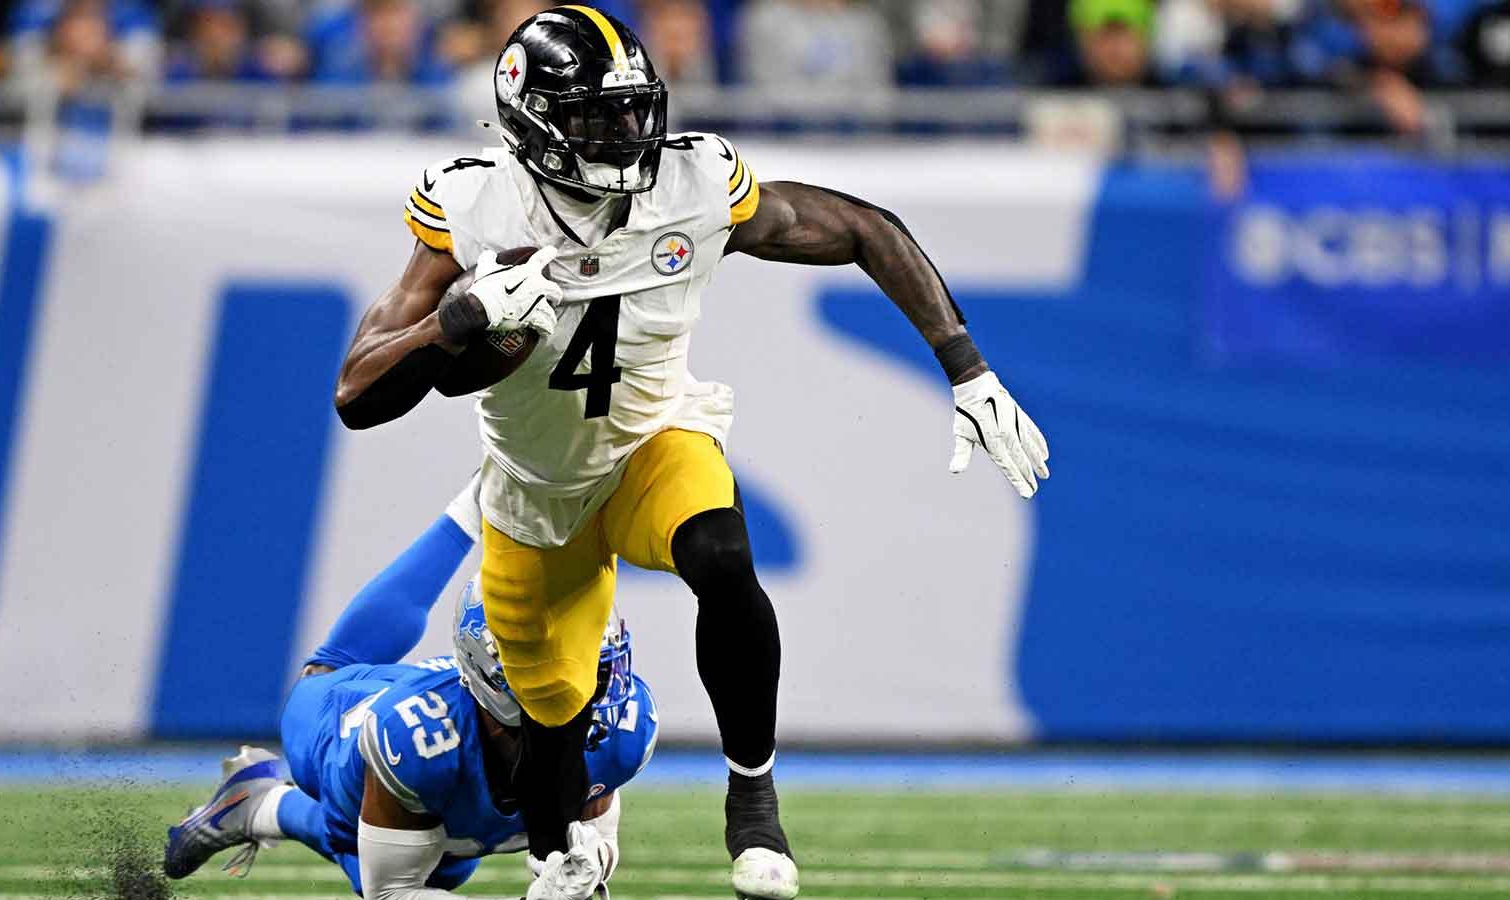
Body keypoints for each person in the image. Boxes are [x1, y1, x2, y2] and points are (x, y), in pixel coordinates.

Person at [330, 7, 1052, 899]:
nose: (627, 133)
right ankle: (559, 863)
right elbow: (358, 395)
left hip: (650, 442)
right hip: (532, 491)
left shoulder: (692, 184)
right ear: (534, 123)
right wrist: (459, 321)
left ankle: (753, 801)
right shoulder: (477, 204)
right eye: (599, 116)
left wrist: (967, 367)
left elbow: (863, 226)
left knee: (719, 551)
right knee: (549, 725)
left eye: (634, 110)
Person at [162, 482, 657, 900]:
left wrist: (591, 860)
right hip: (343, 725)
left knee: (452, 857)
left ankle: (256, 801)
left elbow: (595, 844)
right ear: (503, 677)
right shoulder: (414, 739)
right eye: (579, 670)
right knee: (368, 823)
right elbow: (392, 893)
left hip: (457, 750)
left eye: (600, 666)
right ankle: (259, 804)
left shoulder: (622, 724)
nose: (598, 690)